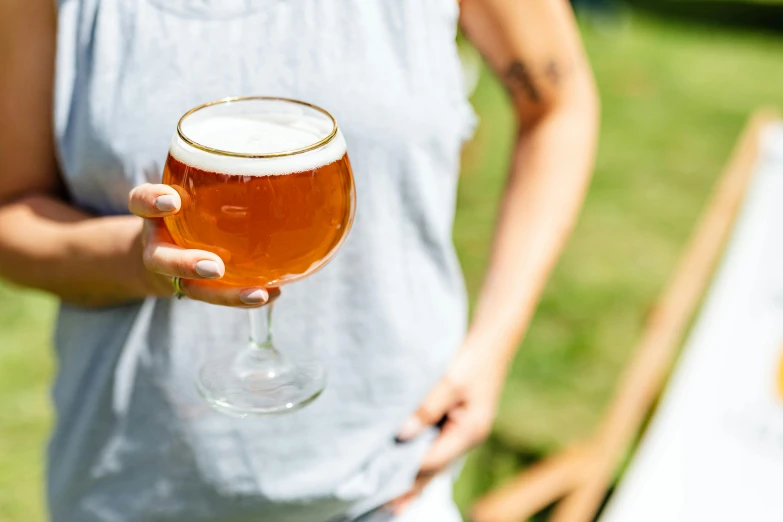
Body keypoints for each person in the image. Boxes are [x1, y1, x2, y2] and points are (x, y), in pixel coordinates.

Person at [0, 0, 598, 520]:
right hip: (134, 489)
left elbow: (558, 106)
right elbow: (10, 213)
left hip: (388, 489)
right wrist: (138, 260)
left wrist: (491, 349)